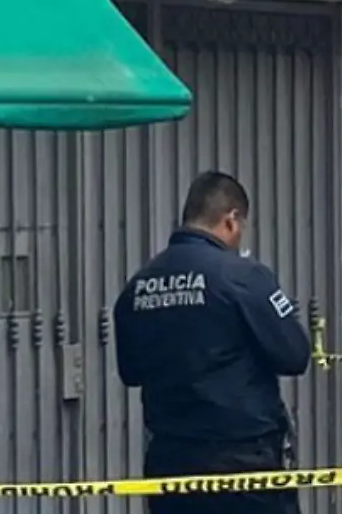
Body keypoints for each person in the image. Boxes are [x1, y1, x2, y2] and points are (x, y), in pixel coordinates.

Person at [113, 171, 313, 514]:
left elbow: (130, 372)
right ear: (231, 220)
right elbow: (295, 355)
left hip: (171, 462)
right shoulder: (243, 276)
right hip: (242, 462)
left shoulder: (139, 285)